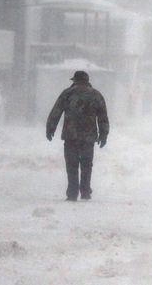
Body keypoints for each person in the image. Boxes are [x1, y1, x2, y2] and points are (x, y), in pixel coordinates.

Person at [46, 70, 109, 202]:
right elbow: (103, 117)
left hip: (71, 136)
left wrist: (50, 128)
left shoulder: (67, 94)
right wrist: (103, 135)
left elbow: (56, 112)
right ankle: (85, 192)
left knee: (72, 164)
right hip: (88, 137)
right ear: (87, 81)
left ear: (75, 80)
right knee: (86, 164)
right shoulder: (96, 95)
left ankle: (72, 193)